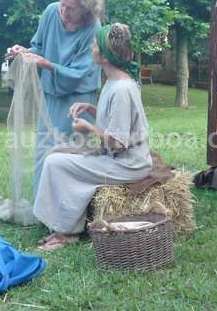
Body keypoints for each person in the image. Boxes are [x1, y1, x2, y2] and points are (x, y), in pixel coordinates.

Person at [33, 23, 153, 251]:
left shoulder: (121, 89)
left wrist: (89, 129)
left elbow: (118, 141)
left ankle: (67, 233)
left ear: (105, 56)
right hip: (119, 159)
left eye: (95, 44)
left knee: (55, 163)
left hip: (128, 164)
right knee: (57, 153)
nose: (91, 47)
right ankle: (63, 226)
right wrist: (90, 107)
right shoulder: (114, 81)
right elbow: (118, 121)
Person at [5, 0, 103, 194]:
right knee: (45, 151)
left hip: (77, 100)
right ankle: (43, 207)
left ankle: (68, 211)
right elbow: (38, 47)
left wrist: (46, 63)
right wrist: (24, 53)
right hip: (50, 96)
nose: (64, 12)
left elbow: (79, 72)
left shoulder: (93, 28)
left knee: (70, 155)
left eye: (71, 9)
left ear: (86, 10)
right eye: (62, 5)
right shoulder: (51, 12)